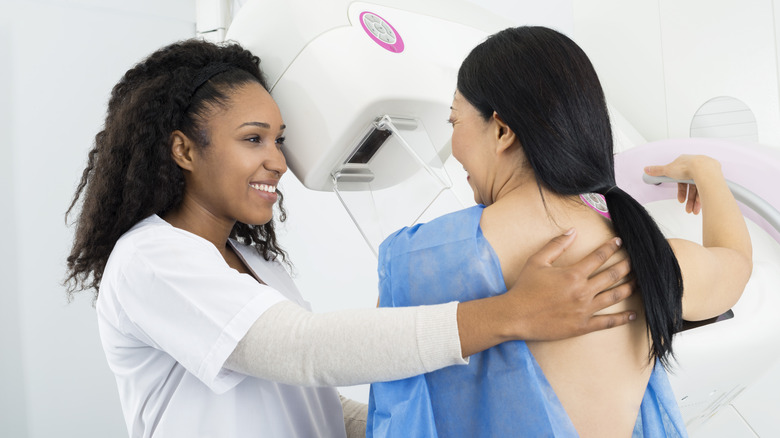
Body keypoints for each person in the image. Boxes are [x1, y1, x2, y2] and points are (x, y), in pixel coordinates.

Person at [63, 38, 637, 438]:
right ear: (184, 149)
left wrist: (428, 424)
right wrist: (512, 313)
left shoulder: (249, 261)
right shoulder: (151, 259)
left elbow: (312, 407)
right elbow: (303, 350)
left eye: (279, 140)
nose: (279, 162)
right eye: (254, 139)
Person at [366, 26, 753, 438]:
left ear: (501, 131)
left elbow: (380, 371)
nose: (454, 142)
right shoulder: (646, 255)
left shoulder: (421, 261)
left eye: (454, 119)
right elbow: (738, 266)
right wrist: (708, 174)